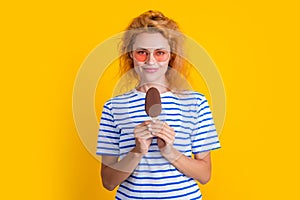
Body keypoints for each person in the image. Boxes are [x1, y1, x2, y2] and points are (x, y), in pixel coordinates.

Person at [96, 10, 221, 199]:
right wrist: (137, 151)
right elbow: (108, 182)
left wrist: (170, 152)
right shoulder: (114, 107)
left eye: (160, 53)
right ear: (130, 54)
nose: (150, 61)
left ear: (171, 55)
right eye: (142, 53)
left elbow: (205, 175)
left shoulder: (195, 103)